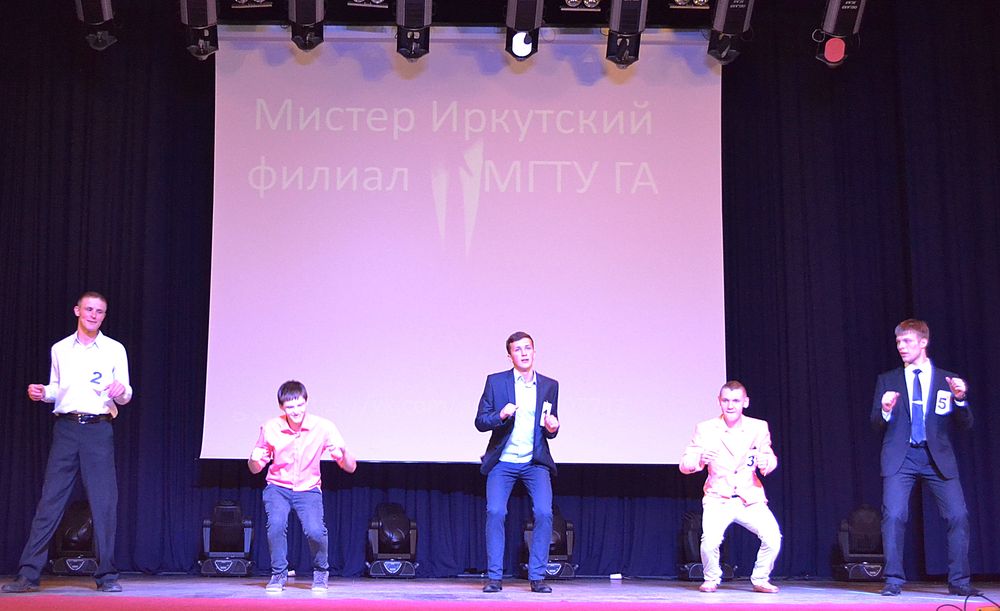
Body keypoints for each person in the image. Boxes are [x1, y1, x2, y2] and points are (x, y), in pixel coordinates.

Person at [2, 292, 132, 594]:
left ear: (104, 315)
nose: (93, 315)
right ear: (77, 311)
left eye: (99, 311)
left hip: (98, 429)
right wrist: (43, 392)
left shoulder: (114, 349)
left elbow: (126, 393)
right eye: (89, 309)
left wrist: (121, 390)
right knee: (50, 501)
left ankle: (106, 575)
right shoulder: (60, 349)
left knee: (104, 503)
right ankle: (28, 574)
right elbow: (58, 388)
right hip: (67, 429)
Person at [871, 319, 981, 597]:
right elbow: (875, 423)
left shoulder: (946, 379)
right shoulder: (888, 379)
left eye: (907, 341)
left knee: (958, 516)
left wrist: (960, 399)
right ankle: (893, 580)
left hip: (937, 457)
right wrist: (885, 410)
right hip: (902, 457)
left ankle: (959, 581)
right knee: (894, 516)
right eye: (898, 342)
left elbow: (966, 424)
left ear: (923, 342)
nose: (901, 346)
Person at [249, 380, 356, 593]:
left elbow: (350, 467)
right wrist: (253, 459)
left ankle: (321, 572)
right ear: (282, 407)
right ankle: (278, 574)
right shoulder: (270, 427)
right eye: (290, 407)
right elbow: (255, 468)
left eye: (300, 405)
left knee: (316, 531)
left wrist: (343, 453)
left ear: (306, 402)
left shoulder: (323, 427)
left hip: (308, 489)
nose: (296, 411)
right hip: (278, 487)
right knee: (276, 525)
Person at [475, 331, 560, 594]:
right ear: (510, 355)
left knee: (544, 513)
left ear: (534, 352)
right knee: (495, 512)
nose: (523, 353)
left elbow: (549, 427)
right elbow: (480, 421)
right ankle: (494, 578)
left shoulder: (549, 385)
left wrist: (553, 427)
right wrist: (500, 415)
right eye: (517, 349)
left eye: (527, 348)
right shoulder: (496, 382)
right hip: (503, 461)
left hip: (535, 462)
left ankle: (537, 577)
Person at [679, 380, 781, 594]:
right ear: (719, 401)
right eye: (726, 400)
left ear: (745, 402)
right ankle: (711, 578)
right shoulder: (706, 428)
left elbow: (768, 455)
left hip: (749, 497)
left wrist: (767, 463)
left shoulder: (758, 427)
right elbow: (685, 463)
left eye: (735, 401)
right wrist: (699, 459)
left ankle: (761, 578)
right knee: (709, 542)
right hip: (719, 497)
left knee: (773, 538)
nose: (730, 405)